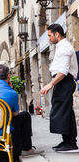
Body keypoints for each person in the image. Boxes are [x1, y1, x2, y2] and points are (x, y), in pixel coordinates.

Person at [0, 64, 34, 162]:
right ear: (9, 76)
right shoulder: (12, 93)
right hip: (3, 129)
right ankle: (25, 147)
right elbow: (16, 113)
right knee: (24, 115)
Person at [40, 24, 78, 152]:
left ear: (57, 34)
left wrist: (51, 84)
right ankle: (68, 141)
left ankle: (70, 142)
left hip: (64, 81)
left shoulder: (65, 47)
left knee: (63, 110)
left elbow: (63, 71)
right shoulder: (60, 46)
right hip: (62, 82)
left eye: (50, 35)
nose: (49, 38)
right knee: (65, 110)